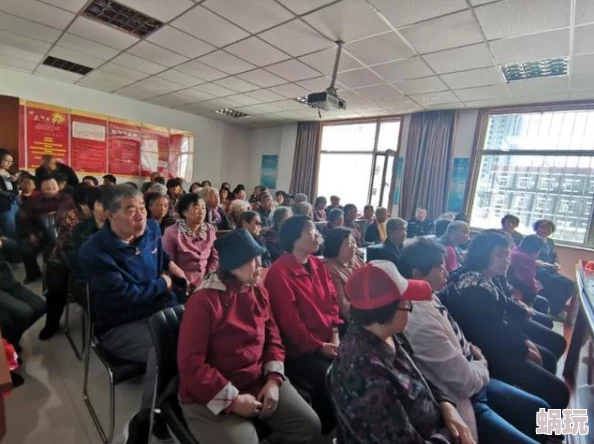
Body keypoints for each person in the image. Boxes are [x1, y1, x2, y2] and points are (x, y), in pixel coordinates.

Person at [400, 238, 552, 444]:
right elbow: (466, 382)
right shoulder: (419, 320)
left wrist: (520, 342)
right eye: (439, 267)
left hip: (480, 375)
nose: (447, 271)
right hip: (467, 397)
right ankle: (565, 435)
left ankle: (565, 434)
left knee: (542, 407)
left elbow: (503, 318)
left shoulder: (430, 295)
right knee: (554, 393)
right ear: (418, 274)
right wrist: (482, 362)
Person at [177, 229, 321, 444]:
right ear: (233, 266)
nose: (259, 265)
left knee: (309, 426)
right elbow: (191, 365)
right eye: (252, 260)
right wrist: (233, 401)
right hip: (212, 390)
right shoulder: (204, 301)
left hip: (257, 380)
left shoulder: (258, 291)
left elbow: (273, 338)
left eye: (259, 258)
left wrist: (273, 380)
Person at [79, 185, 186, 443]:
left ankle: (178, 404)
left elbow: (160, 257)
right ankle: (149, 417)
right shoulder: (94, 252)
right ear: (109, 215)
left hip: (160, 307)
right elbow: (124, 296)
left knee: (200, 338)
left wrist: (171, 266)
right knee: (164, 351)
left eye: (142, 208)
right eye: (130, 210)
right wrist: (163, 283)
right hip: (120, 323)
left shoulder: (150, 228)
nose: (140, 216)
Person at [330, 260, 475, 444]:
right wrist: (451, 434)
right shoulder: (366, 375)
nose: (410, 307)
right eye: (406, 302)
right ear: (386, 313)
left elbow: (417, 376)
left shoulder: (387, 333)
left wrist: (446, 406)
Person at [443, 231, 569, 410]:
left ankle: (541, 423)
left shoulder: (486, 276)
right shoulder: (472, 287)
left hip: (501, 341)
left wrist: (524, 340)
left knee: (548, 357)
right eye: (500, 254)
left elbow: (503, 316)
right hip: (488, 353)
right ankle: (548, 431)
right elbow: (490, 334)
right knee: (560, 392)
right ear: (483, 254)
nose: (507, 260)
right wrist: (523, 347)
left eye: (507, 254)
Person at [265, 215, 342, 434]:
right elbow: (290, 326)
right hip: (299, 350)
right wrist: (320, 346)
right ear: (295, 238)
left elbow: (333, 302)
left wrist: (334, 336)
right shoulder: (280, 272)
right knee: (333, 378)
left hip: (328, 340)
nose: (318, 234)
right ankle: (322, 432)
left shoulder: (318, 264)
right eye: (311, 231)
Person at [40, 184, 94, 340]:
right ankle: (51, 324)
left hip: (90, 262)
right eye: (88, 204)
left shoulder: (106, 216)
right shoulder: (71, 217)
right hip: (63, 260)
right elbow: (66, 248)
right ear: (79, 204)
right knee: (57, 292)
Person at [21, 176, 73, 284]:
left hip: (61, 232)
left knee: (56, 252)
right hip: (40, 231)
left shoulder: (66, 198)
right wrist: (31, 234)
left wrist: (57, 214)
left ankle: (62, 279)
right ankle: (33, 274)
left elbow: (66, 210)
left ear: (58, 187)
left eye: (54, 187)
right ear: (41, 189)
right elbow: (27, 219)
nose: (51, 191)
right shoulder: (34, 199)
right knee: (26, 249)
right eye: (47, 188)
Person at [162, 193, 219, 291]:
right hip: (182, 284)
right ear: (184, 212)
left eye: (203, 208)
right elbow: (169, 264)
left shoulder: (210, 229)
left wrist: (209, 278)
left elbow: (215, 258)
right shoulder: (172, 232)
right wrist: (184, 282)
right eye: (196, 208)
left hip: (207, 281)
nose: (202, 212)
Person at [0, 233, 45, 349]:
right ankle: (10, 345)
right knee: (24, 312)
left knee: (40, 306)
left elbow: (11, 244)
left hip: (7, 280)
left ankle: (11, 342)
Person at [534, 219, 575, 317]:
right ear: (536, 228)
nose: (545, 230)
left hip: (549, 270)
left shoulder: (550, 241)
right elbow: (531, 258)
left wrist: (557, 263)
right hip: (537, 270)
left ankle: (555, 310)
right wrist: (546, 265)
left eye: (548, 228)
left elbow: (554, 255)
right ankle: (554, 311)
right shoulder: (532, 240)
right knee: (560, 285)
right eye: (542, 227)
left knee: (570, 284)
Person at [323, 227, 364, 320]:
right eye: (348, 243)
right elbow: (343, 305)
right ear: (336, 247)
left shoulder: (356, 260)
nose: (353, 246)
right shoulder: (330, 268)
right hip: (353, 317)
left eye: (354, 242)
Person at [508, 235, 549, 313]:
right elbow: (528, 281)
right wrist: (536, 287)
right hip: (517, 290)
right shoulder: (526, 258)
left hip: (514, 286)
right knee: (543, 302)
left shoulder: (515, 251)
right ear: (538, 250)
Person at [0, 149, 19, 242]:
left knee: (16, 226)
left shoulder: (10, 173)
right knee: (8, 227)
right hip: (4, 204)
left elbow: (15, 188)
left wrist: (15, 182)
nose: (9, 163)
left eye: (11, 161)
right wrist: (12, 193)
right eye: (6, 161)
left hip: (14, 202)